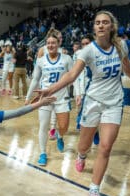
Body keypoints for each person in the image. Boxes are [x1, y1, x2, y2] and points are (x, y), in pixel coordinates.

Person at [36, 11, 130, 196]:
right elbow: (71, 75)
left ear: (112, 26)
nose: (101, 25)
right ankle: (82, 155)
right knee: (83, 145)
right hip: (93, 102)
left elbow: (127, 67)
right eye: (97, 23)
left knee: (105, 147)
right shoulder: (88, 51)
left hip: (114, 103)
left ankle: (94, 188)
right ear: (94, 27)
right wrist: (50, 89)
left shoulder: (121, 47)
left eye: (105, 22)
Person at [25, 30, 73, 166]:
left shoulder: (67, 59)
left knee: (64, 126)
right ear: (46, 45)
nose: (51, 45)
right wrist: (28, 97)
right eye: (48, 43)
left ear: (58, 44)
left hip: (62, 96)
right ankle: (42, 153)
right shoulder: (40, 61)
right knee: (43, 126)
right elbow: (35, 80)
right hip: (45, 97)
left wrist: (79, 93)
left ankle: (60, 135)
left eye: (53, 43)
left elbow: (74, 76)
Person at [37, 28, 64, 140]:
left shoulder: (62, 51)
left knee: (55, 109)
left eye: (61, 37)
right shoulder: (42, 50)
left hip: (58, 85)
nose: (61, 39)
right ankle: (46, 128)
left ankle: (52, 129)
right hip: (45, 84)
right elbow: (38, 68)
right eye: (59, 36)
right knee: (46, 110)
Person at [73, 35, 100, 146]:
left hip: (94, 89)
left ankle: (96, 131)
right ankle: (85, 140)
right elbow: (75, 75)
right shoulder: (77, 55)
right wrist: (78, 93)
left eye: (87, 43)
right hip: (80, 88)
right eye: (83, 44)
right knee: (82, 113)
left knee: (94, 113)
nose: (85, 46)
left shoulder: (97, 54)